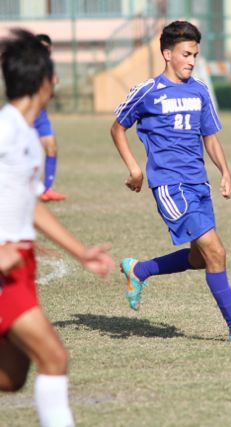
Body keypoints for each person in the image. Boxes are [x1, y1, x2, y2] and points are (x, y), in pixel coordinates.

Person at [110, 21, 231, 344]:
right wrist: (135, 168)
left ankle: (138, 270)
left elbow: (210, 138)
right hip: (171, 186)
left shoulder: (199, 90)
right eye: (186, 54)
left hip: (199, 185)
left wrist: (225, 171)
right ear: (167, 53)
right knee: (216, 251)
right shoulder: (148, 92)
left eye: (195, 54)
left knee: (200, 258)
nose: (192, 61)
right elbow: (117, 128)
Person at [0, 29, 114, 427]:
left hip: (21, 266)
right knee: (54, 358)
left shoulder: (28, 137)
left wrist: (79, 251)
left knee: (12, 379)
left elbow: (31, 206)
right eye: (54, 73)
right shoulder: (4, 131)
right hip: (3, 270)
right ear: (43, 80)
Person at [34, 33, 66, 202]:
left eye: (46, 47)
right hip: (27, 116)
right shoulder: (28, 66)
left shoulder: (49, 68)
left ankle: (47, 189)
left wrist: (52, 84)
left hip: (42, 116)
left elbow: (49, 95)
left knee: (52, 148)